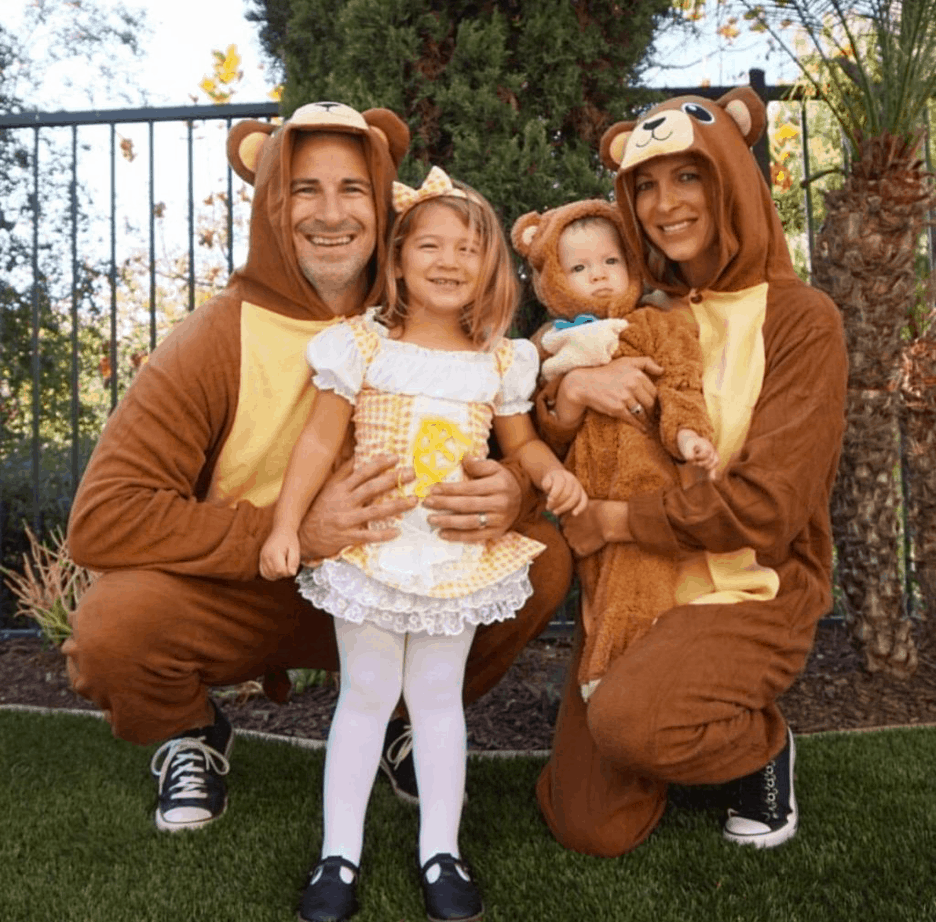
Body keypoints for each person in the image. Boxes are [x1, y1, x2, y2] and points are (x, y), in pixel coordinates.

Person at [63, 102, 572, 848]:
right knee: (113, 627)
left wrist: (514, 489)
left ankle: (406, 723)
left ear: (385, 212)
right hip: (251, 587)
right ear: (271, 198)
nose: (330, 213)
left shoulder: (423, 305)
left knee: (543, 559)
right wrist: (294, 531)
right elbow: (104, 519)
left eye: (353, 189)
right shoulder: (213, 339)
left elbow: (505, 421)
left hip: (401, 575)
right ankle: (192, 733)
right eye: (304, 189)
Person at [259, 165, 586, 922]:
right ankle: (338, 856)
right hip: (371, 548)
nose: (448, 261)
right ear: (399, 258)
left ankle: (442, 850)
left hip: (452, 554)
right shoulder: (361, 348)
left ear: (490, 267)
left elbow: (522, 445)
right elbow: (315, 444)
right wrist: (286, 527)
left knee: (438, 700)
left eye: (468, 248)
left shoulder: (500, 360)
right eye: (430, 245)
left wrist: (552, 476)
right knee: (367, 695)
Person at [534, 87, 848, 856]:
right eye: (644, 184)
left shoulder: (801, 319)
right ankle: (671, 706)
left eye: (688, 177)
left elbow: (770, 507)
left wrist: (615, 521)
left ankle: (758, 746)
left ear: (733, 176)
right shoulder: (642, 307)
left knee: (632, 724)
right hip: (633, 588)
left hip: (746, 585)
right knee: (587, 825)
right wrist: (571, 391)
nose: (663, 204)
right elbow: (544, 430)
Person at [511, 199, 718, 699]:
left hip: (641, 489)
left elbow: (681, 385)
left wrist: (687, 435)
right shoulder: (546, 345)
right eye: (578, 268)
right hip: (582, 499)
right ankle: (619, 679)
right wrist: (573, 390)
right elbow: (544, 432)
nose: (599, 277)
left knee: (638, 582)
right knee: (600, 593)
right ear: (554, 278)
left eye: (610, 262)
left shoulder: (651, 326)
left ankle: (615, 681)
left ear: (631, 262)